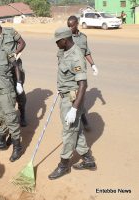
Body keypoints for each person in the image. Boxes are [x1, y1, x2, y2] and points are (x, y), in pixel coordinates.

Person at [48, 27, 96, 180]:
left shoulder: (76, 56)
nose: (56, 44)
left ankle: (63, 165)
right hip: (66, 96)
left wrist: (74, 109)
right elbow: (66, 74)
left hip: (72, 101)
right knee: (76, 130)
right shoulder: (65, 52)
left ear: (64, 40)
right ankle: (88, 160)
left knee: (69, 133)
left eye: (57, 41)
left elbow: (83, 84)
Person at [0, 16, 27, 127]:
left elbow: (22, 43)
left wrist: (15, 53)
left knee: (19, 93)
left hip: (16, 68)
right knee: (6, 95)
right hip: (3, 71)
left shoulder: (10, 32)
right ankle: (8, 120)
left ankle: (23, 115)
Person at [65, 15, 98, 130]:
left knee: (81, 95)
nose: (69, 28)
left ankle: (82, 116)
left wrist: (93, 65)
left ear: (77, 24)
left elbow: (87, 52)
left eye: (71, 26)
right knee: (72, 97)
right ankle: (76, 118)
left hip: (81, 72)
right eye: (68, 26)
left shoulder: (83, 37)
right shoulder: (66, 37)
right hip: (69, 74)